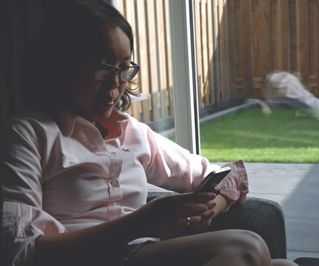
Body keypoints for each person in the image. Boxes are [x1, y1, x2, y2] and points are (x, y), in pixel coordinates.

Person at [0, 1, 298, 266]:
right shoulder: (28, 135)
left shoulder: (132, 133)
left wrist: (211, 206)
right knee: (247, 246)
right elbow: (20, 252)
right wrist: (139, 223)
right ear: (61, 64)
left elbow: (231, 175)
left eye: (124, 68)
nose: (116, 84)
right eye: (102, 68)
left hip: (141, 253)